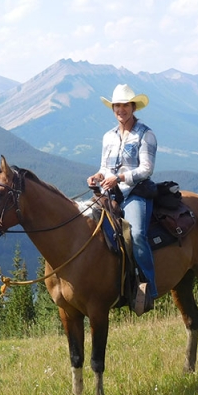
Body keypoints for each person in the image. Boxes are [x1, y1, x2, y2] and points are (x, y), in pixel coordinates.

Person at [87, 83, 158, 311]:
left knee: (136, 234)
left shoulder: (145, 135)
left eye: (125, 105)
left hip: (135, 192)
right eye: (117, 106)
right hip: (109, 193)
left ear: (133, 107)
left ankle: (149, 288)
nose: (121, 110)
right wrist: (97, 176)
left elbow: (146, 169)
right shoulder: (108, 136)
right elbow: (103, 167)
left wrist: (119, 178)